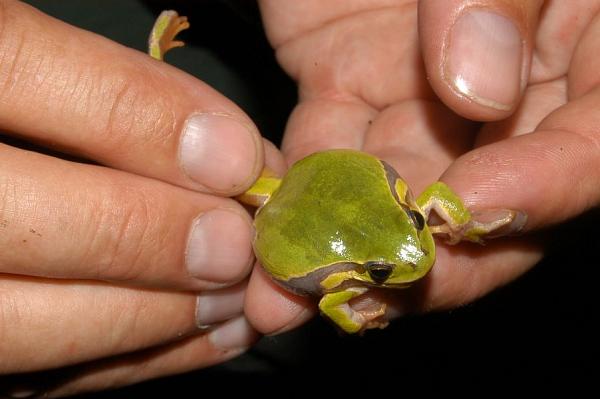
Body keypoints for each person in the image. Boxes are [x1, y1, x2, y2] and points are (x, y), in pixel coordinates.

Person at [1, 0, 599, 395]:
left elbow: (442, 195)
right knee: (187, 167)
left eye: (418, 223)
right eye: (385, 269)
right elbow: (341, 303)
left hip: (313, 179)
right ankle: (155, 67)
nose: (422, 255)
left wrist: (458, 220)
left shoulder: (410, 222)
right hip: (286, 214)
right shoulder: (344, 279)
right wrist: (356, 315)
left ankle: (158, 69)